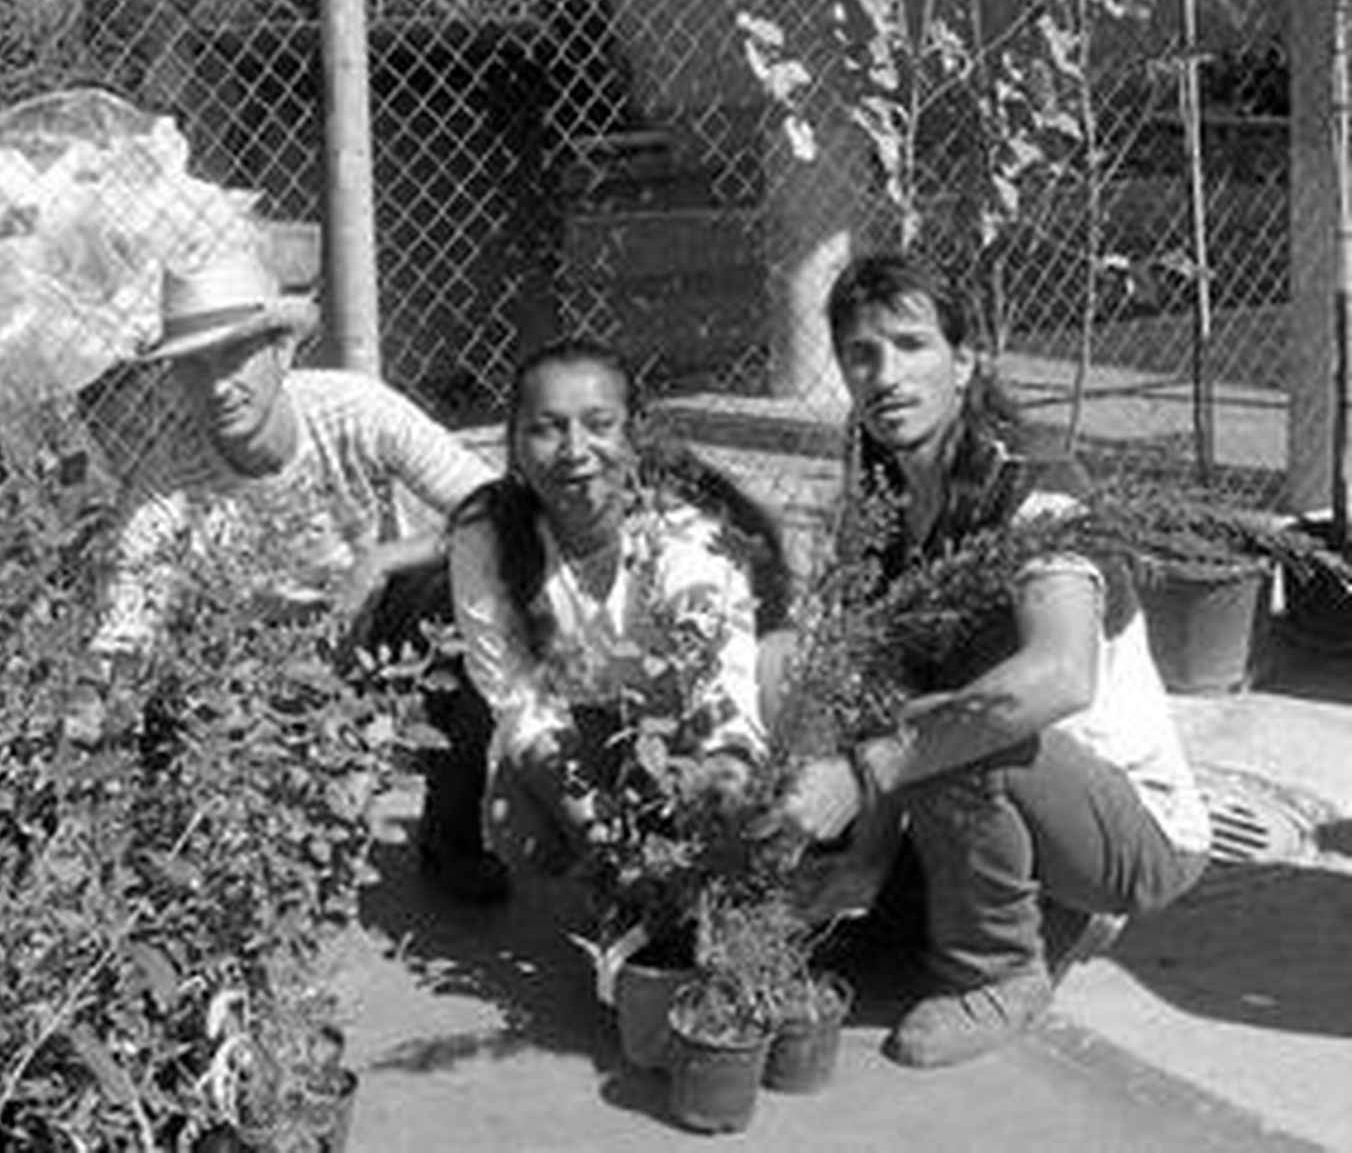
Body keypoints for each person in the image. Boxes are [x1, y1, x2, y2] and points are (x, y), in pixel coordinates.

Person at [762, 252, 1212, 1068]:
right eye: (863, 354)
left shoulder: (1035, 487)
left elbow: (1059, 675)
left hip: (1139, 833)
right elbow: (881, 692)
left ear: (964, 362)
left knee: (949, 726)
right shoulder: (885, 506)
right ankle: (1029, 908)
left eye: (911, 345)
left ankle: (999, 973)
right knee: (841, 699)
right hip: (1034, 798)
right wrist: (863, 860)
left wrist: (862, 776)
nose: (886, 374)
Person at [88, 237, 509, 905]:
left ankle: (451, 838)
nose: (219, 384)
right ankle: (179, 875)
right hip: (251, 664)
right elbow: (124, 640)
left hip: (379, 624)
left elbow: (496, 507)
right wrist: (105, 782)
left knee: (468, 595)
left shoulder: (352, 410)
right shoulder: (163, 489)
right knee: (160, 691)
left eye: (237, 355)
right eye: (194, 366)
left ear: (281, 351)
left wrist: (380, 560)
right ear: (173, 377)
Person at [447, 337, 791, 876]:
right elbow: (521, 706)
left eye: (598, 424)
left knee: (781, 670)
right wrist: (596, 834)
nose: (574, 450)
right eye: (547, 428)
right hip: (608, 723)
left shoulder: (684, 532)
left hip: (707, 722)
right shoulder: (485, 537)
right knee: (518, 823)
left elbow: (722, 689)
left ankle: (789, 870)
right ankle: (625, 881)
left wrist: (719, 804)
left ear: (633, 435)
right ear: (514, 444)